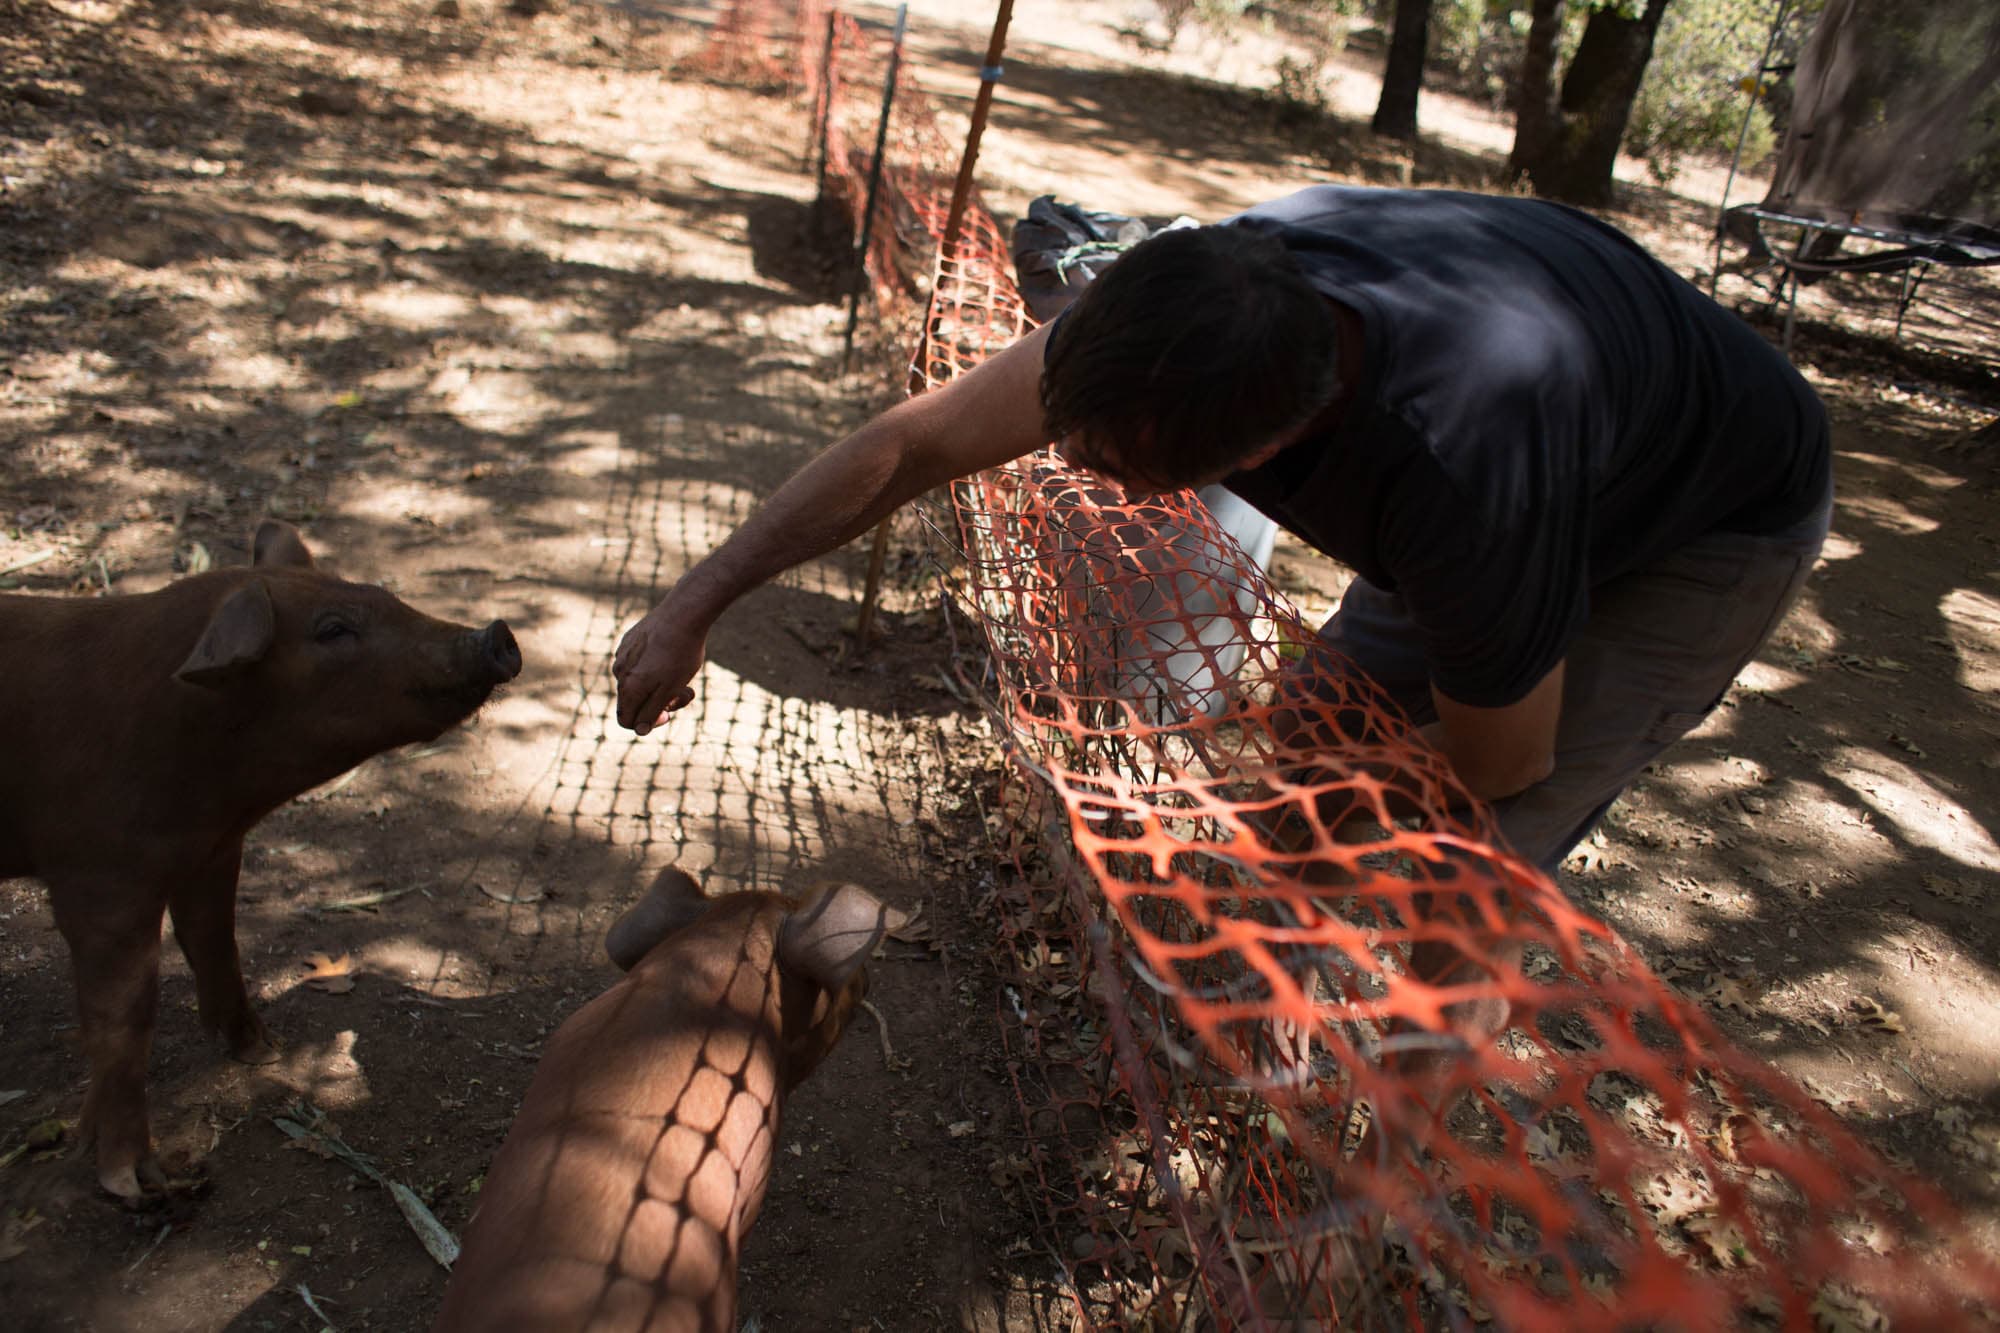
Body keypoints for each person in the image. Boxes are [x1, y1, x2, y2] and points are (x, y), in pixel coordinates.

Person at [614, 184, 1832, 887]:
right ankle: (1237, 1017)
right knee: (1303, 773)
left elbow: (1501, 761)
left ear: (1255, 459)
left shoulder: (1457, 473)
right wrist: (694, 604)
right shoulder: (1191, 315)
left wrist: (1268, 828)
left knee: (1451, 875)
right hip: (1527, 449)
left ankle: (1351, 1218)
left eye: (1109, 464)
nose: (1069, 462)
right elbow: (914, 446)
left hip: (1700, 522)